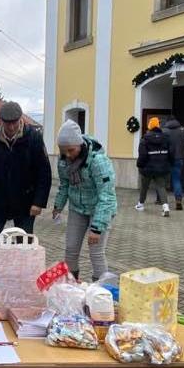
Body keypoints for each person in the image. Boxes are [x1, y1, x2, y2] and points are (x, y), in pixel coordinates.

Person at [0, 101, 52, 246]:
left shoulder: (33, 138)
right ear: (0, 121)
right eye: (8, 123)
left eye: (15, 122)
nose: (12, 127)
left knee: (24, 243)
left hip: (26, 203)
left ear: (21, 119)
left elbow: (44, 172)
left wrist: (38, 202)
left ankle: (22, 268)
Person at [51, 120, 117, 281]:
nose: (67, 155)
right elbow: (65, 185)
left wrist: (97, 227)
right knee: (71, 249)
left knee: (95, 251)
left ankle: (101, 292)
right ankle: (70, 286)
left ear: (80, 145)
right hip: (77, 209)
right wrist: (58, 205)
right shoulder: (64, 161)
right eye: (63, 151)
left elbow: (107, 196)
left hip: (99, 210)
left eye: (71, 150)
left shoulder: (98, 161)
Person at [136, 117, 174, 217]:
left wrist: (140, 165)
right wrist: (170, 163)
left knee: (144, 187)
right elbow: (171, 152)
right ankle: (165, 207)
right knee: (161, 187)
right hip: (162, 167)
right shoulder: (166, 138)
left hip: (147, 168)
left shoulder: (145, 139)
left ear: (149, 126)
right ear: (158, 126)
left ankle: (140, 204)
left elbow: (142, 155)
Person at [162, 116, 184, 210]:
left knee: (162, 179)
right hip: (179, 158)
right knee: (176, 179)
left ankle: (161, 200)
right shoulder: (183, 129)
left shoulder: (163, 130)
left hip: (166, 159)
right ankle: (178, 201)